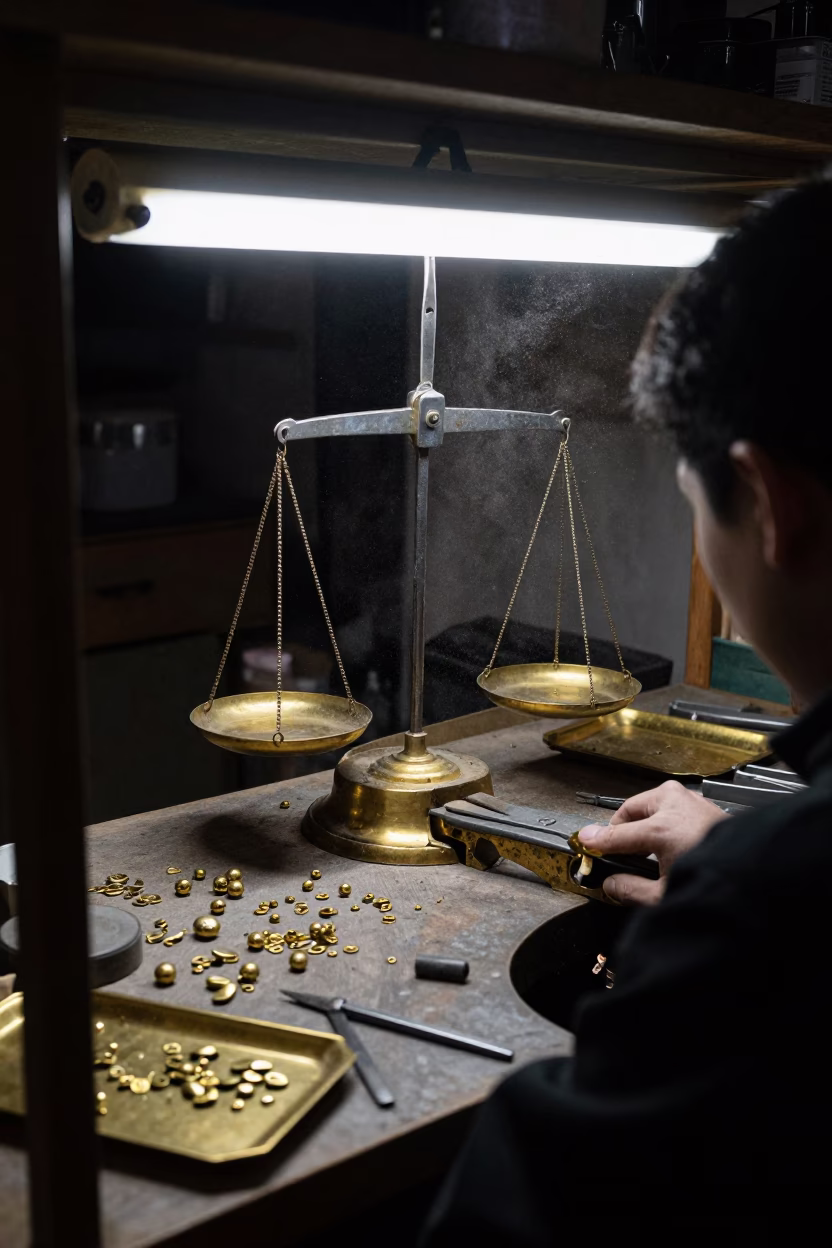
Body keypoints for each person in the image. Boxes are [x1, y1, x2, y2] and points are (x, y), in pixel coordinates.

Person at [420, 173, 832, 1242]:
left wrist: (753, 885)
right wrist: (752, 852)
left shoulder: (770, 914)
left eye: (697, 504)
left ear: (771, 507)